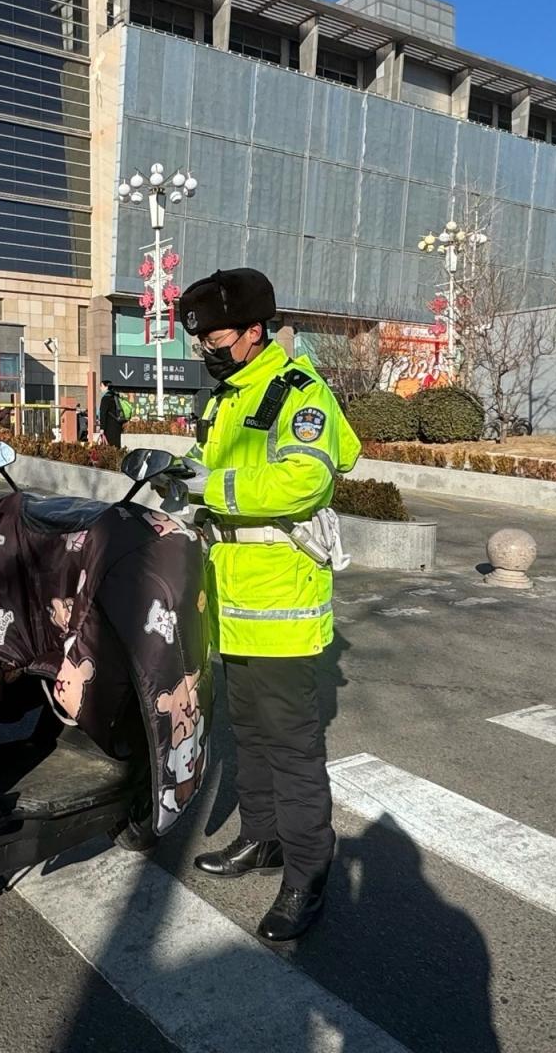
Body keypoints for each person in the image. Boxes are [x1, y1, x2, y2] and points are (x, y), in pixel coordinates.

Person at [176, 266, 361, 943]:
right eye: (200, 341)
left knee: (291, 746)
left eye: (216, 338)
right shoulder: (227, 397)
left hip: (281, 603)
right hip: (231, 599)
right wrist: (177, 478)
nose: (207, 350)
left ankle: (308, 869)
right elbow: (206, 464)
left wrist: (211, 486)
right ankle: (263, 838)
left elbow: (302, 481)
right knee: (247, 732)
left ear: (255, 331)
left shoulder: (297, 393)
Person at [98, 379, 128, 448]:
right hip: (118, 424)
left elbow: (103, 413)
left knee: (109, 446)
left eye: (101, 386)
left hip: (109, 426)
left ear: (106, 387)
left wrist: (102, 428)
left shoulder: (105, 398)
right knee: (116, 445)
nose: (100, 388)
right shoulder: (116, 396)